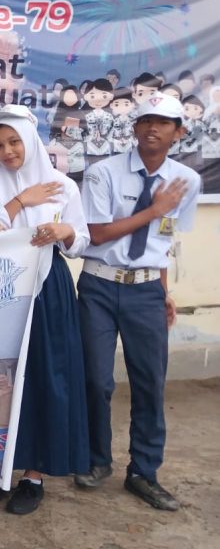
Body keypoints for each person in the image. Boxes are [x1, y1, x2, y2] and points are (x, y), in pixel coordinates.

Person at [74, 93, 201, 512]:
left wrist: (163, 291)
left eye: (163, 122)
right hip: (99, 286)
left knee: (149, 382)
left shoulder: (186, 180)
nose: (152, 128)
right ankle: (96, 460)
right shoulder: (102, 172)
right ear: (133, 126)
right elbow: (97, 234)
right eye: (146, 120)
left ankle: (144, 472)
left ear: (178, 132)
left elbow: (164, 240)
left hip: (146, 290)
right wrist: (154, 208)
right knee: (96, 379)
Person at [0, 104, 91, 515]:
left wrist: (65, 231)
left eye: (14, 142)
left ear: (31, 141)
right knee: (3, 380)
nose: (7, 151)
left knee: (43, 377)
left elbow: (82, 240)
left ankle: (33, 476)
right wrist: (19, 202)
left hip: (47, 289)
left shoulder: (61, 186)